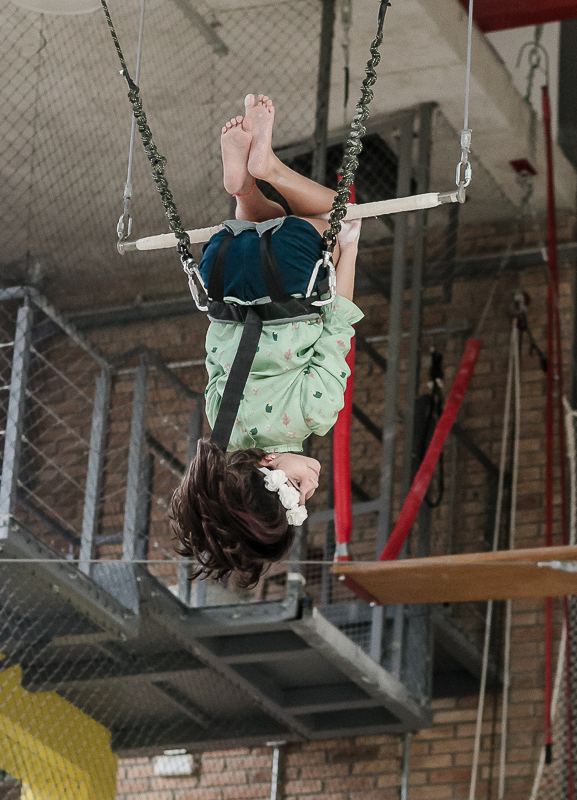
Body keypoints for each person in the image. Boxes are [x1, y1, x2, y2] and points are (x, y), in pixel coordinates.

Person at [169, 94, 363, 587]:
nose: (314, 484)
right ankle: (242, 189)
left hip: (291, 276)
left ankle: (268, 166)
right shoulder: (220, 427)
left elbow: (338, 323)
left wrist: (349, 249)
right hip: (225, 272)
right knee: (260, 227)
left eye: (298, 487)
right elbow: (216, 349)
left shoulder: (315, 414)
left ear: (272, 465)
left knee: (343, 215)